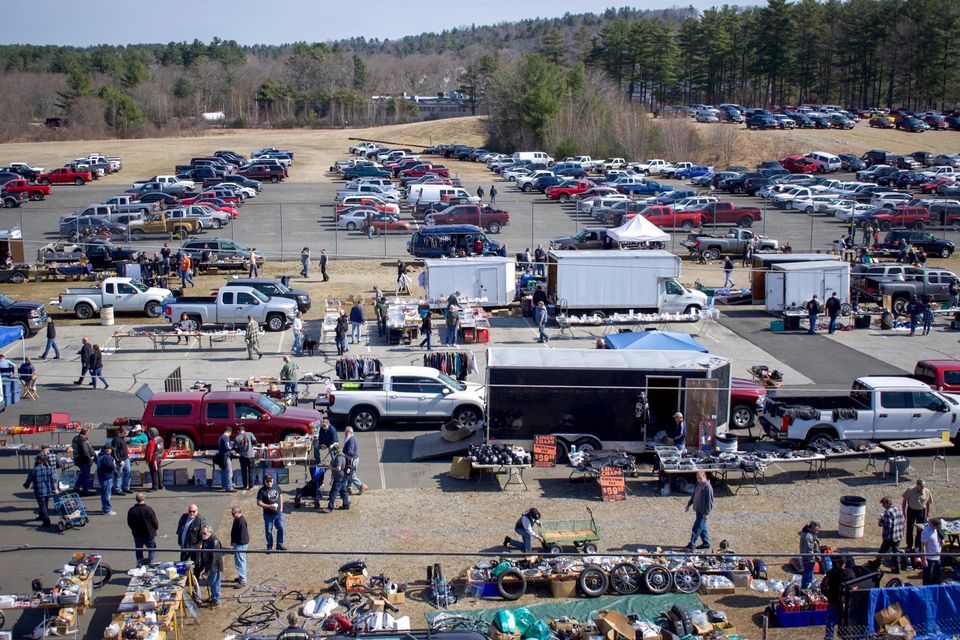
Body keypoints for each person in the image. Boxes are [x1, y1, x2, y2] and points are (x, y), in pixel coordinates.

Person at [822, 555, 856, 640]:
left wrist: (828, 595)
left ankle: (829, 637)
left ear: (837, 562)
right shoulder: (850, 573)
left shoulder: (831, 573)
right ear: (844, 563)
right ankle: (843, 636)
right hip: (845, 603)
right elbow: (855, 587)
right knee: (844, 621)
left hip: (833, 601)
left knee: (831, 621)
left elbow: (823, 587)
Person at [24, 455, 58, 529]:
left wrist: (26, 485)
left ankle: (47, 521)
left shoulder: (35, 469)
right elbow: (53, 480)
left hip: (39, 491)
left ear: (40, 461)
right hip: (48, 490)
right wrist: (55, 489)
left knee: (42, 506)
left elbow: (29, 478)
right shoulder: (49, 468)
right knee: (45, 504)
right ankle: (41, 516)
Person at [127, 492, 159, 566]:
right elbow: (155, 522)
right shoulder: (148, 510)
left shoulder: (132, 510)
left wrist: (133, 530)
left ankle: (140, 565)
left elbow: (129, 522)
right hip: (149, 534)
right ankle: (149, 564)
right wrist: (155, 530)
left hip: (137, 535)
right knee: (152, 550)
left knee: (139, 550)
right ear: (144, 498)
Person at [684, 471, 713, 551]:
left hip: (703, 512)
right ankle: (706, 543)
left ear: (705, 477)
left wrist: (706, 513)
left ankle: (691, 545)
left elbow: (709, 502)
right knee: (703, 528)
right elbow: (694, 495)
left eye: (700, 478)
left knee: (696, 528)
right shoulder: (698, 485)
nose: (699, 480)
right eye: (697, 478)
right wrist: (688, 504)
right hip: (698, 510)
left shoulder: (708, 487)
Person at [877, 496, 906, 572]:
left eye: (883, 504)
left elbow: (888, 525)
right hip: (898, 536)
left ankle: (875, 566)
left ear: (887, 503)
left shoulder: (888, 512)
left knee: (882, 552)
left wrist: (881, 520)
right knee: (896, 552)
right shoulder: (898, 510)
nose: (882, 506)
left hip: (890, 537)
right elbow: (903, 521)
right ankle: (897, 568)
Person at [902, 479, 932, 552]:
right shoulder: (910, 490)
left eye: (923, 486)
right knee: (910, 528)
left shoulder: (927, 491)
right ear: (917, 485)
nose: (922, 488)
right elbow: (904, 501)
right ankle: (909, 545)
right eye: (921, 486)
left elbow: (928, 504)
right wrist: (903, 512)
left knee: (920, 529)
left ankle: (917, 545)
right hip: (911, 510)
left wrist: (927, 514)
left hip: (921, 511)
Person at [257, 474, 285, 550]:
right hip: (268, 514)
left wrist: (281, 509)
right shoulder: (261, 491)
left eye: (271, 481)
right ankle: (269, 545)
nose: (269, 482)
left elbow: (280, 496)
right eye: (267, 481)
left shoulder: (276, 486)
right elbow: (259, 503)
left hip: (278, 513)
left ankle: (279, 544)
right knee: (268, 530)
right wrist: (269, 506)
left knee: (281, 528)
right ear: (264, 481)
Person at [198, 526, 223, 608]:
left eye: (204, 533)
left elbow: (215, 558)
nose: (202, 535)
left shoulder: (214, 541)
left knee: (215, 583)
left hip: (214, 567)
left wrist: (209, 570)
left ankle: (217, 601)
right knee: (211, 583)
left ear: (210, 532)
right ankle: (213, 597)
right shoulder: (206, 540)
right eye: (202, 533)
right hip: (208, 566)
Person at [326, 443, 351, 511]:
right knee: (343, 491)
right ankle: (346, 505)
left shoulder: (339, 458)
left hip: (339, 478)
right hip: (343, 477)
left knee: (333, 492)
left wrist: (331, 468)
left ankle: (330, 507)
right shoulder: (343, 455)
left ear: (335, 451)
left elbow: (338, 468)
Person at [343, 426, 368, 495]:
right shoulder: (352, 438)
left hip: (352, 460)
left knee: (350, 475)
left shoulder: (351, 439)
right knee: (349, 474)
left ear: (349, 432)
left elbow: (350, 452)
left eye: (346, 433)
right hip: (353, 459)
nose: (345, 434)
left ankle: (361, 485)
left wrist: (342, 455)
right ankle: (349, 488)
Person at [799, 520, 823, 589]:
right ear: (813, 527)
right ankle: (805, 592)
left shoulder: (808, 534)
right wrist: (817, 558)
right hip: (809, 560)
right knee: (808, 578)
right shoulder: (808, 536)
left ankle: (805, 590)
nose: (818, 531)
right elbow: (809, 550)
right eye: (817, 529)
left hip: (808, 559)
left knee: (807, 576)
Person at [71, 427, 95, 494]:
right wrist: (90, 460)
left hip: (77, 459)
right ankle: (85, 490)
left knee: (82, 474)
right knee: (86, 476)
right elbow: (86, 452)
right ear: (86, 432)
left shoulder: (75, 438)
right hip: (84, 460)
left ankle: (76, 487)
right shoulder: (83, 440)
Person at [230, 506, 249, 587]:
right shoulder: (237, 519)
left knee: (240, 561)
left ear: (238, 512)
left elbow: (242, 535)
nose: (232, 515)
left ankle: (243, 580)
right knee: (241, 560)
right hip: (239, 543)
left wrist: (235, 543)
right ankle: (241, 577)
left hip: (240, 544)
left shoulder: (241, 521)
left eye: (233, 513)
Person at [234, 425, 257, 491]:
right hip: (251, 455)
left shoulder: (237, 438)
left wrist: (240, 451)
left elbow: (235, 448)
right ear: (244, 430)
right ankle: (251, 486)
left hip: (243, 456)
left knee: (244, 471)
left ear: (238, 431)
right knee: (251, 471)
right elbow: (255, 442)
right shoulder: (249, 434)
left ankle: (244, 485)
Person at [96, 444, 117, 516]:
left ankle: (105, 508)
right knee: (107, 494)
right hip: (106, 477)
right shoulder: (106, 457)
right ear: (108, 450)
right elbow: (111, 466)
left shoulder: (99, 455)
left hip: (101, 476)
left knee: (103, 493)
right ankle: (107, 510)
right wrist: (114, 463)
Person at [920, 518, 942, 585]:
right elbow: (923, 546)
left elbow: (940, 538)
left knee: (937, 577)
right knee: (928, 577)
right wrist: (924, 559)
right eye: (937, 527)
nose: (937, 528)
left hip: (937, 558)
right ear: (933, 525)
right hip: (929, 559)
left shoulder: (936, 530)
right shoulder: (926, 532)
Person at [112, 425, 132, 495]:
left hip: (126, 459)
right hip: (120, 460)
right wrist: (119, 460)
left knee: (128, 472)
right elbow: (114, 452)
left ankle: (126, 487)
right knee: (118, 474)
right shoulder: (116, 440)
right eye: (126, 433)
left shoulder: (122, 438)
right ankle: (118, 489)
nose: (127, 435)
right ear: (122, 432)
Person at [217, 427, 235, 492]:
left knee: (223, 471)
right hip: (226, 456)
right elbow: (228, 447)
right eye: (230, 433)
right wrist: (232, 445)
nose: (230, 434)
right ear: (229, 432)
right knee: (229, 472)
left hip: (221, 456)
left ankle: (224, 485)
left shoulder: (220, 437)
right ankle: (229, 487)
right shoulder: (226, 437)